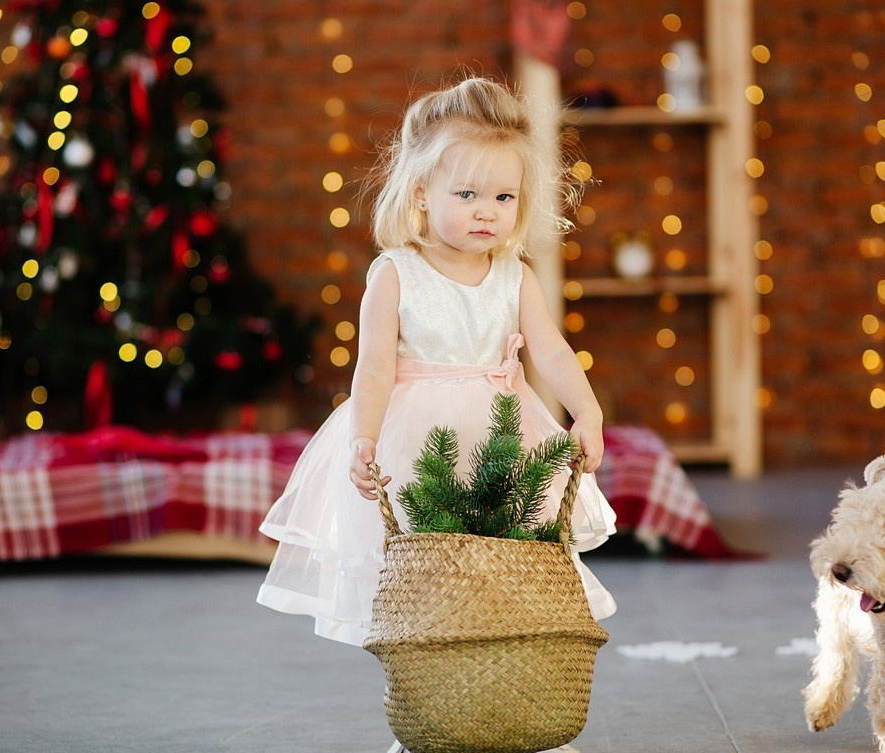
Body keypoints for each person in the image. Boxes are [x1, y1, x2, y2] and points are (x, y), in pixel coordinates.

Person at [257, 77, 616, 750]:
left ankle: (514, 708)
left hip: (502, 441)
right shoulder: (396, 272)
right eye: (467, 194)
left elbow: (552, 351)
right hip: (419, 449)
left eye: (504, 197)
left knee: (509, 578)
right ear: (422, 193)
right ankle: (431, 712)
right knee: (427, 587)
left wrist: (587, 413)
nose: (487, 213)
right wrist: (364, 439)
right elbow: (374, 368)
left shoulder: (515, 274)